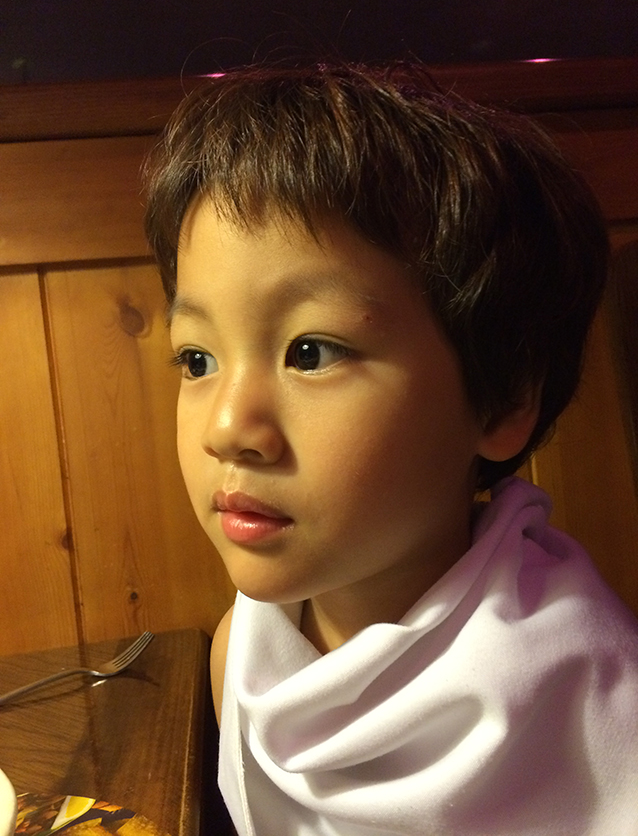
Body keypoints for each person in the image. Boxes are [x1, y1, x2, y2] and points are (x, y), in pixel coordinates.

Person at [144, 63, 638, 835]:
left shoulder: (589, 695)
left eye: (311, 352)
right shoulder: (244, 649)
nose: (227, 427)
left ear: (504, 398)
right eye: (197, 359)